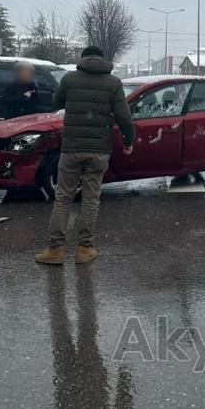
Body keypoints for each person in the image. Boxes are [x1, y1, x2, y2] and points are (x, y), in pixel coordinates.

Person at [36, 46, 134, 266]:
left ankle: (55, 250)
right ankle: (84, 249)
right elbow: (124, 117)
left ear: (83, 59)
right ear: (102, 59)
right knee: (90, 199)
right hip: (99, 150)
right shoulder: (114, 83)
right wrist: (128, 141)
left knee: (63, 197)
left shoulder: (70, 79)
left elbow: (56, 103)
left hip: (71, 148)